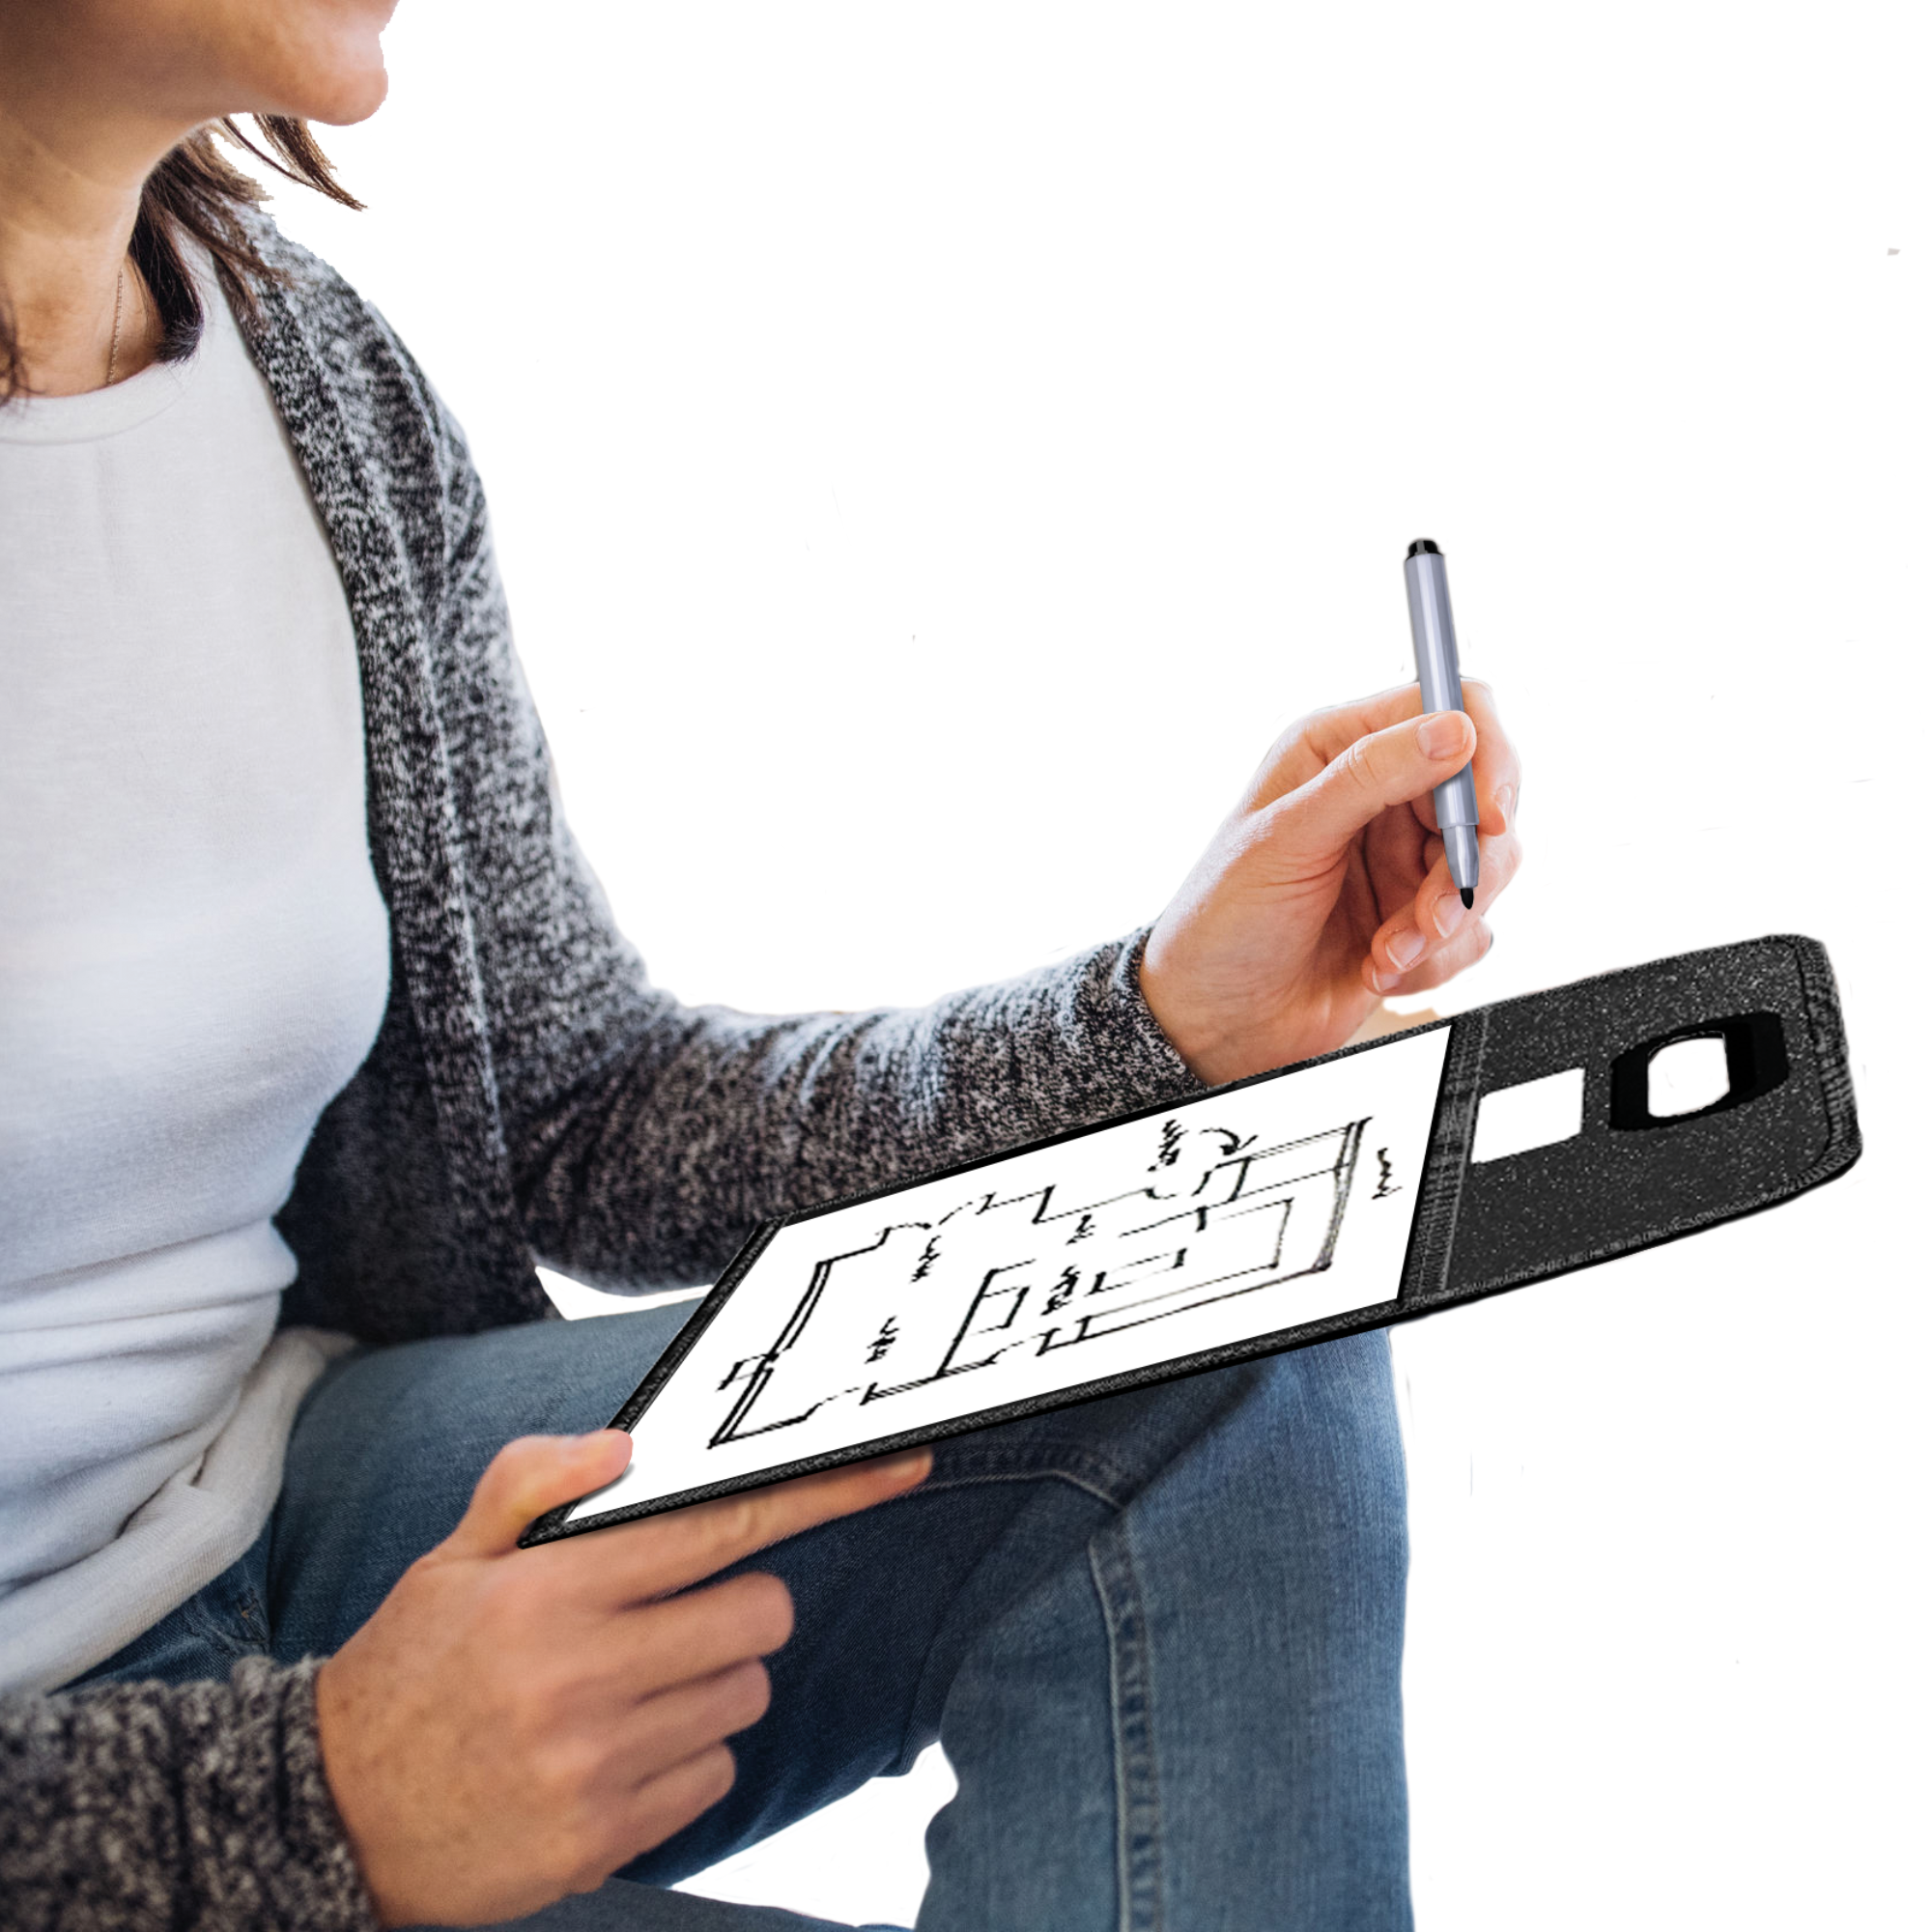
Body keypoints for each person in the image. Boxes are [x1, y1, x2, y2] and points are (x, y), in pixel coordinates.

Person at [0, 4, 1522, 1928]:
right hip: (117, 1802)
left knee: (1218, 1349)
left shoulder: (303, 379)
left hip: (277, 1524)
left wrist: (1146, 1029)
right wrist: (306, 1803)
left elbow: (567, 1103)